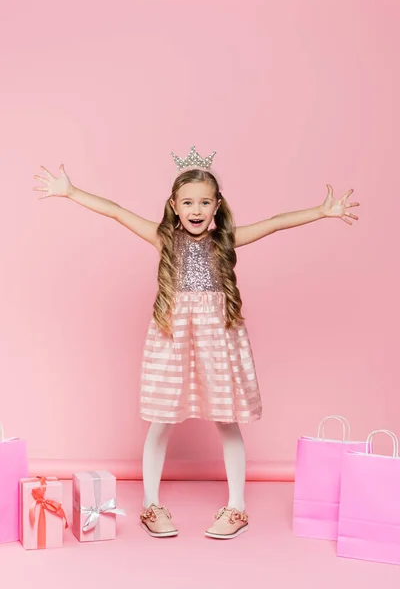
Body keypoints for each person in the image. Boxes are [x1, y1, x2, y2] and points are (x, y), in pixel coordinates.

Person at [33, 145, 359, 540]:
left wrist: (320, 212)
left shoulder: (226, 240)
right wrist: (71, 191)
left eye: (205, 201)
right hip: (173, 337)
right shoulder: (163, 238)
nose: (196, 209)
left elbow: (275, 222)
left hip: (217, 339)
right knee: (161, 420)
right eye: (188, 202)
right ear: (174, 205)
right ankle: (151, 505)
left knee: (227, 419)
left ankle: (236, 507)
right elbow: (117, 211)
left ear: (217, 205)